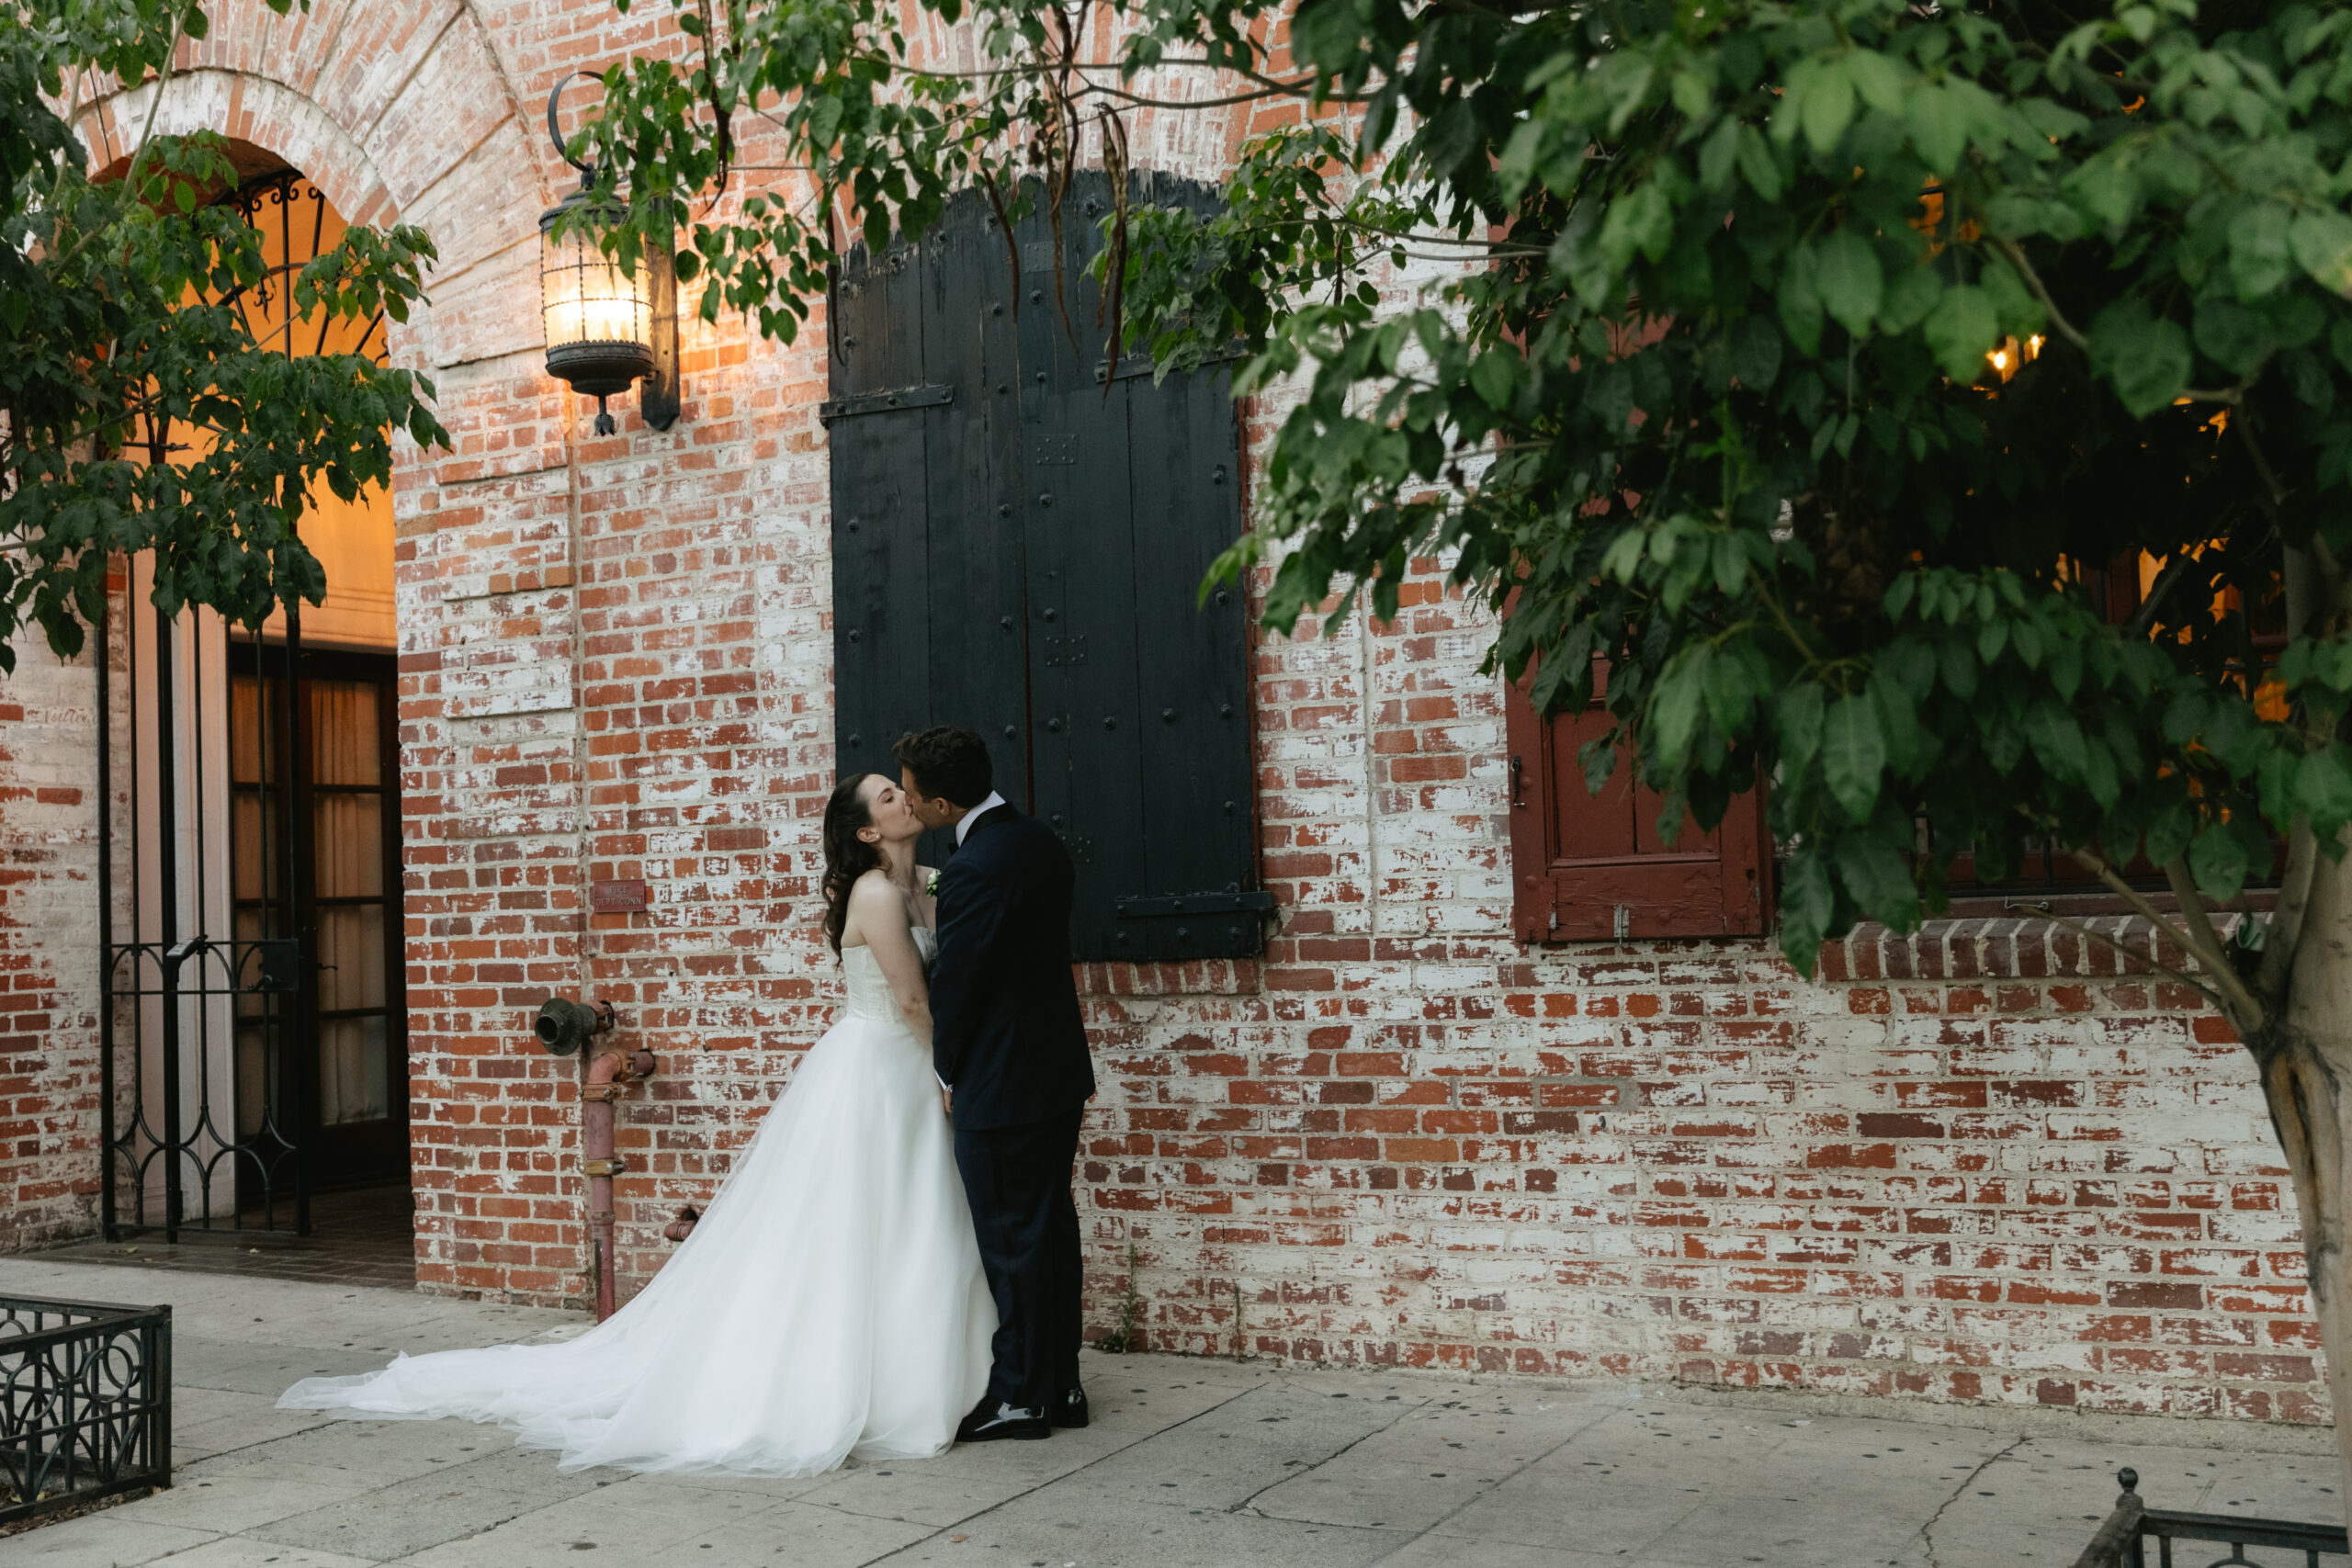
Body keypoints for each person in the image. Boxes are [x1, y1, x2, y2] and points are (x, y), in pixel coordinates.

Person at [277, 773, 994, 1477]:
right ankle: (862, 1380)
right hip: (883, 1065)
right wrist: (949, 1072)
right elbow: (911, 1001)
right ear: (868, 829)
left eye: (902, 790)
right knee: (872, 1219)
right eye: (888, 795)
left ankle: (928, 1367)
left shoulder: (925, 877)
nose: (904, 796)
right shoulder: (871, 891)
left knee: (913, 1217)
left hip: (903, 1067)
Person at [894, 726, 1096, 1442]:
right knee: (1050, 1232)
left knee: (1011, 1243)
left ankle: (1019, 1396)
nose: (911, 807)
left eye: (915, 797)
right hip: (1056, 1071)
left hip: (1003, 1080)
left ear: (947, 802)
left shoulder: (977, 865)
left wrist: (948, 1068)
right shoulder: (1039, 838)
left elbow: (962, 983)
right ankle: (1062, 1385)